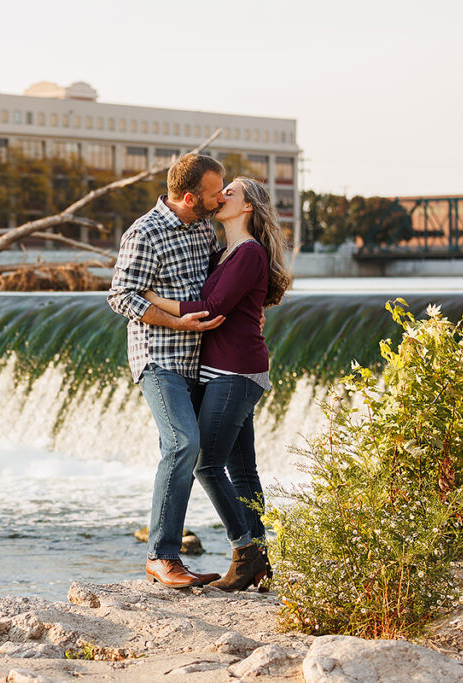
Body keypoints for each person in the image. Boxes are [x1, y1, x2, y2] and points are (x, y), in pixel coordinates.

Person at [141, 176, 292, 591]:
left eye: (232, 192)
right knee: (242, 470)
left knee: (207, 462)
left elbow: (210, 308)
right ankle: (259, 558)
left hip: (235, 372)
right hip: (229, 370)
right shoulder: (224, 252)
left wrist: (153, 300)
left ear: (247, 207)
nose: (222, 196)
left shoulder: (248, 253)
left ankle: (246, 551)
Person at [107, 153, 227, 589]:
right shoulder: (145, 232)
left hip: (201, 359)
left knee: (195, 454)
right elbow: (121, 297)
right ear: (191, 196)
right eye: (214, 193)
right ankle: (161, 556)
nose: (220, 199)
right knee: (183, 444)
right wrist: (174, 320)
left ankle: (243, 551)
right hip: (159, 357)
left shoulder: (204, 227)